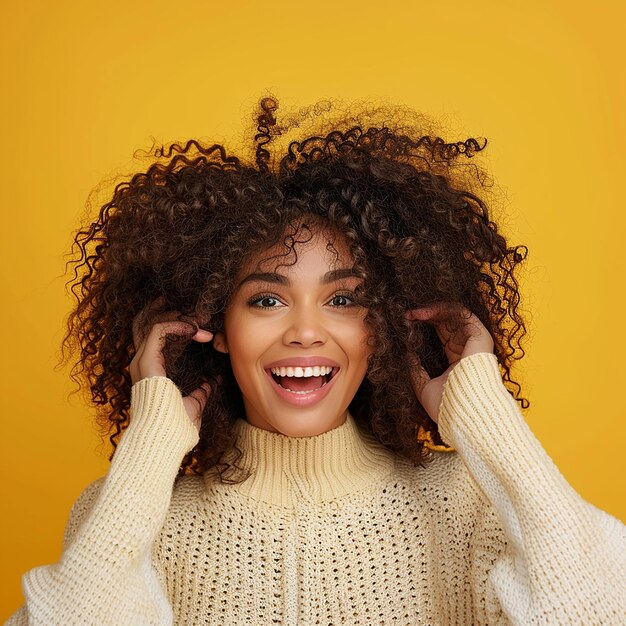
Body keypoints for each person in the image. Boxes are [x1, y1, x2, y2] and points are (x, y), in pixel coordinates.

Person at [6, 97, 625, 626]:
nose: (305, 331)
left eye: (343, 299)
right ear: (216, 325)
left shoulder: (470, 504)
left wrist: (488, 419)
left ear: (381, 325)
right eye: (268, 299)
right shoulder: (127, 511)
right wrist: (151, 444)